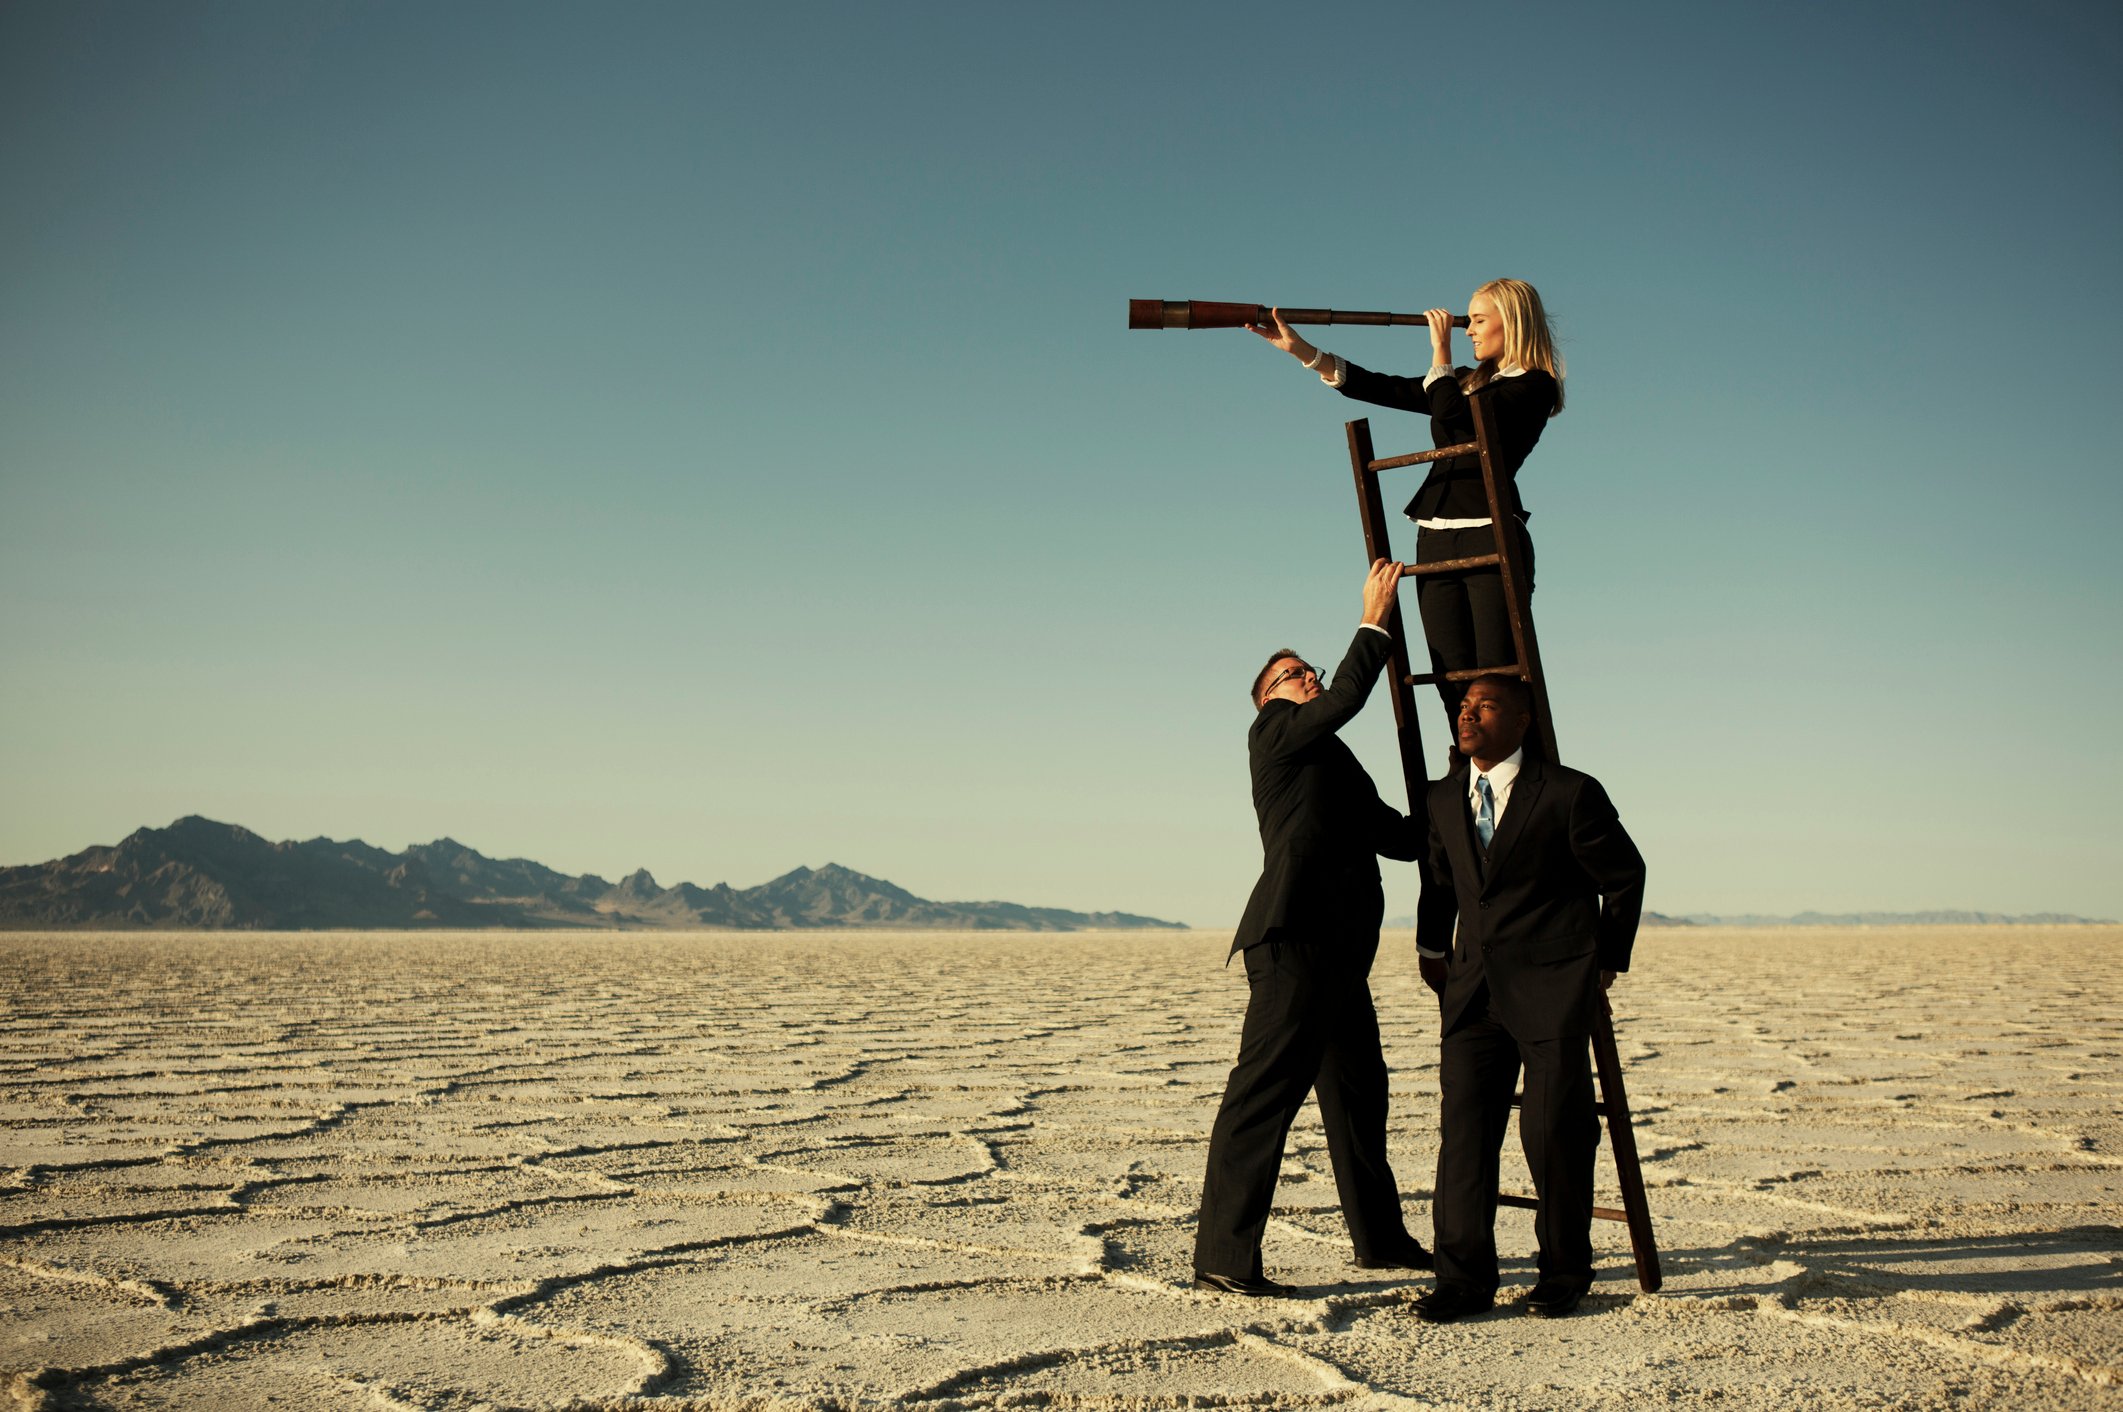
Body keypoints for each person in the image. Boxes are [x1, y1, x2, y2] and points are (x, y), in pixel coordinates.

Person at [1192, 558, 1436, 1297]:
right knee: (1262, 1095)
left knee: (1359, 1096)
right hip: (1292, 943)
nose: (1310, 678)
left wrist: (1464, 808)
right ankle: (1223, 1258)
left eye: (1309, 670)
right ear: (1268, 698)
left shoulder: (1328, 760)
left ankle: (1380, 1240)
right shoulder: (1275, 735)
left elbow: (1395, 835)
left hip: (1338, 954)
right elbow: (1347, 698)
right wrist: (1374, 618)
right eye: (1296, 674)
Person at [1407, 674, 1646, 1322]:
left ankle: (1562, 1272)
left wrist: (1603, 962)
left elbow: (1623, 876)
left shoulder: (1568, 793)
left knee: (1553, 1135)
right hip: (1471, 995)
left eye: (1484, 706)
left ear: (1521, 719)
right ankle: (1461, 1281)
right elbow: (1440, 884)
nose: (1467, 715)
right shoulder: (1441, 798)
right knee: (1463, 1139)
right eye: (1462, 707)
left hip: (1550, 991)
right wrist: (1433, 954)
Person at [1249, 280, 1563, 732]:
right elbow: (1381, 387)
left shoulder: (1535, 386)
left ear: (1511, 323)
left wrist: (1440, 352)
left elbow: (1456, 418)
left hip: (1490, 530)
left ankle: (1517, 767)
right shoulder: (1463, 383)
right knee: (1447, 669)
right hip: (1435, 535)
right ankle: (1465, 766)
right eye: (1466, 320)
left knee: (1497, 669)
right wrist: (1305, 352)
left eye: (1477, 319)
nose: (1468, 329)